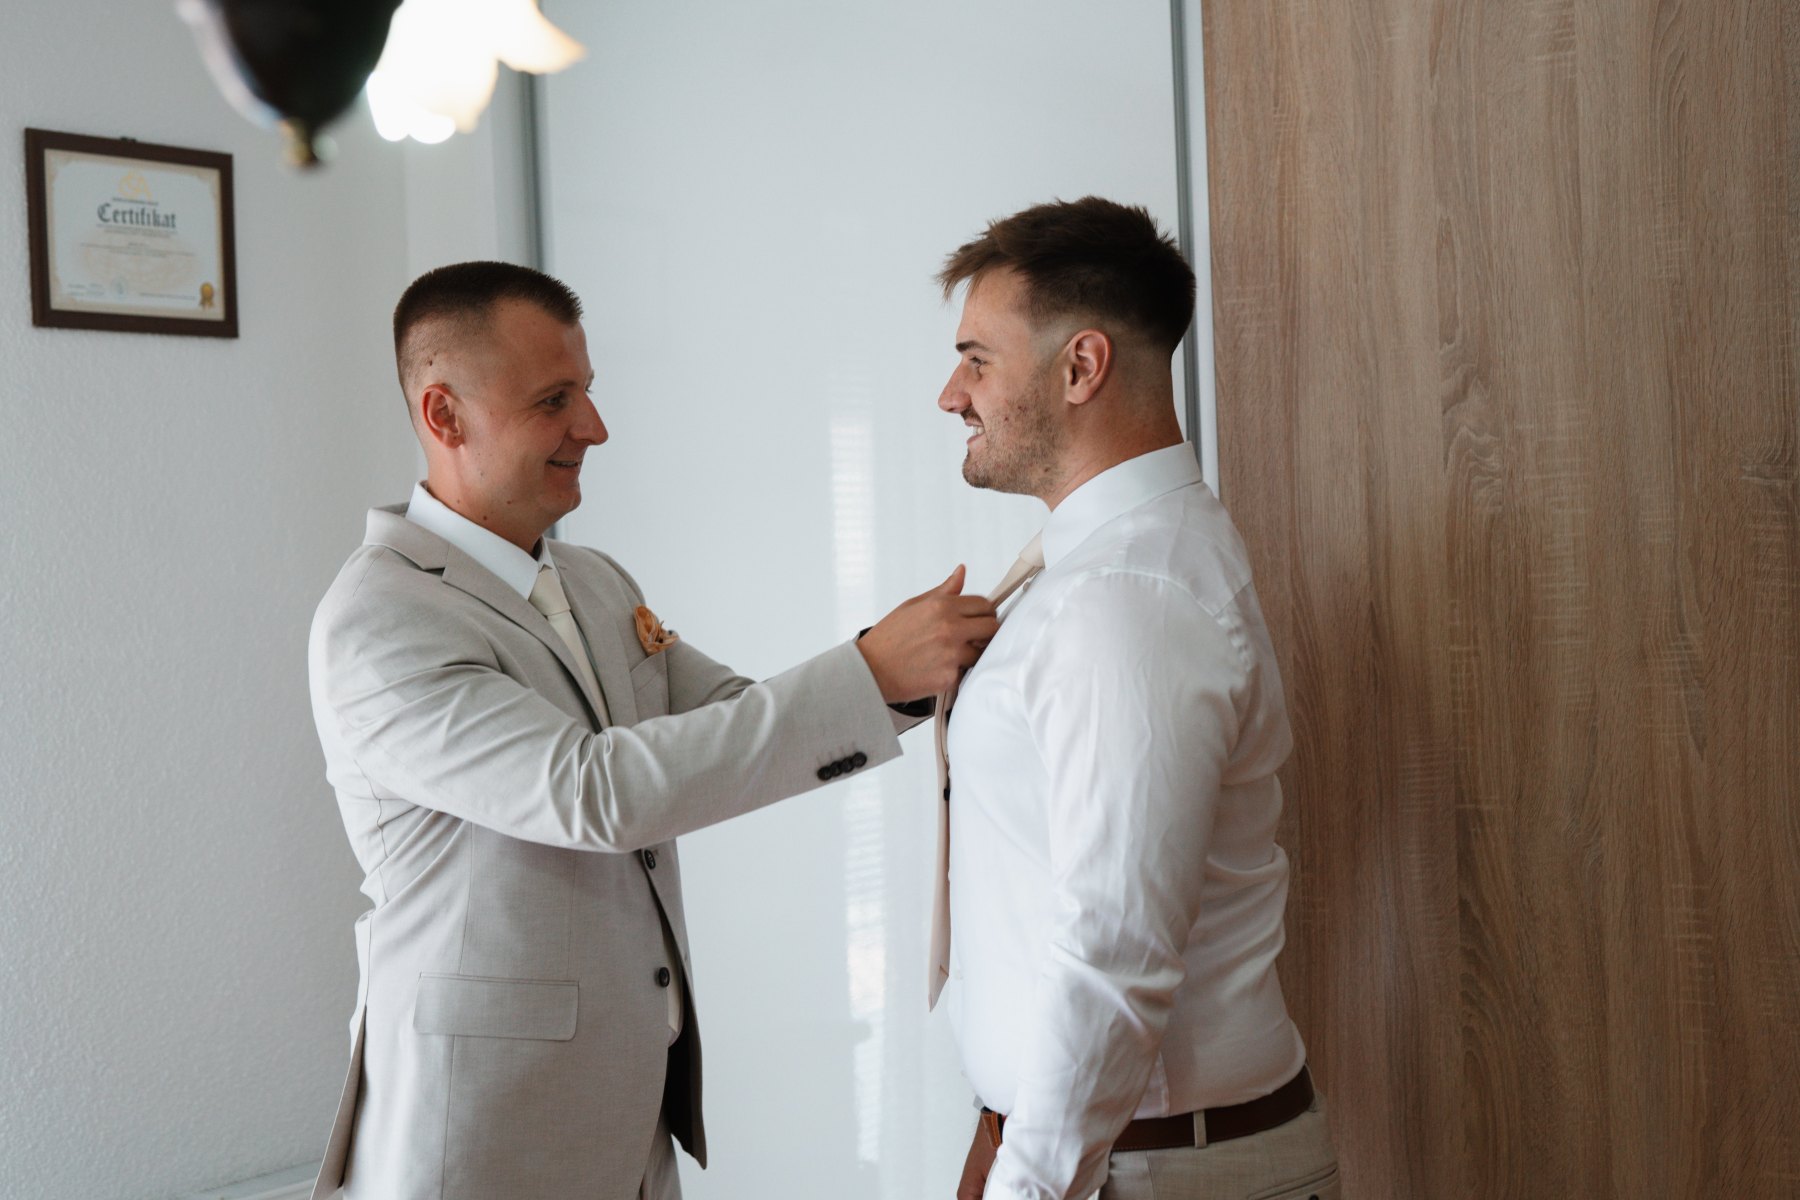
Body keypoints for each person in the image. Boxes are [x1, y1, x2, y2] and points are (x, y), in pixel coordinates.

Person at [306, 261, 997, 1200]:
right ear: (444, 415)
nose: (594, 427)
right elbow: (594, 793)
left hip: (628, 1114)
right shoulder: (379, 618)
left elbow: (726, 716)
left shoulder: (596, 580)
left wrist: (910, 684)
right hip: (477, 1131)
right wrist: (872, 670)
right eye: (555, 401)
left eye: (586, 391)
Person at [929, 199, 1339, 1200]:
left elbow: (1114, 948)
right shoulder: (1110, 566)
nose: (951, 394)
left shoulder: (1127, 597)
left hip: (1142, 1167)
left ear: (1081, 367)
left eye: (977, 359)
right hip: (1103, 1154)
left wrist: (1027, 1186)